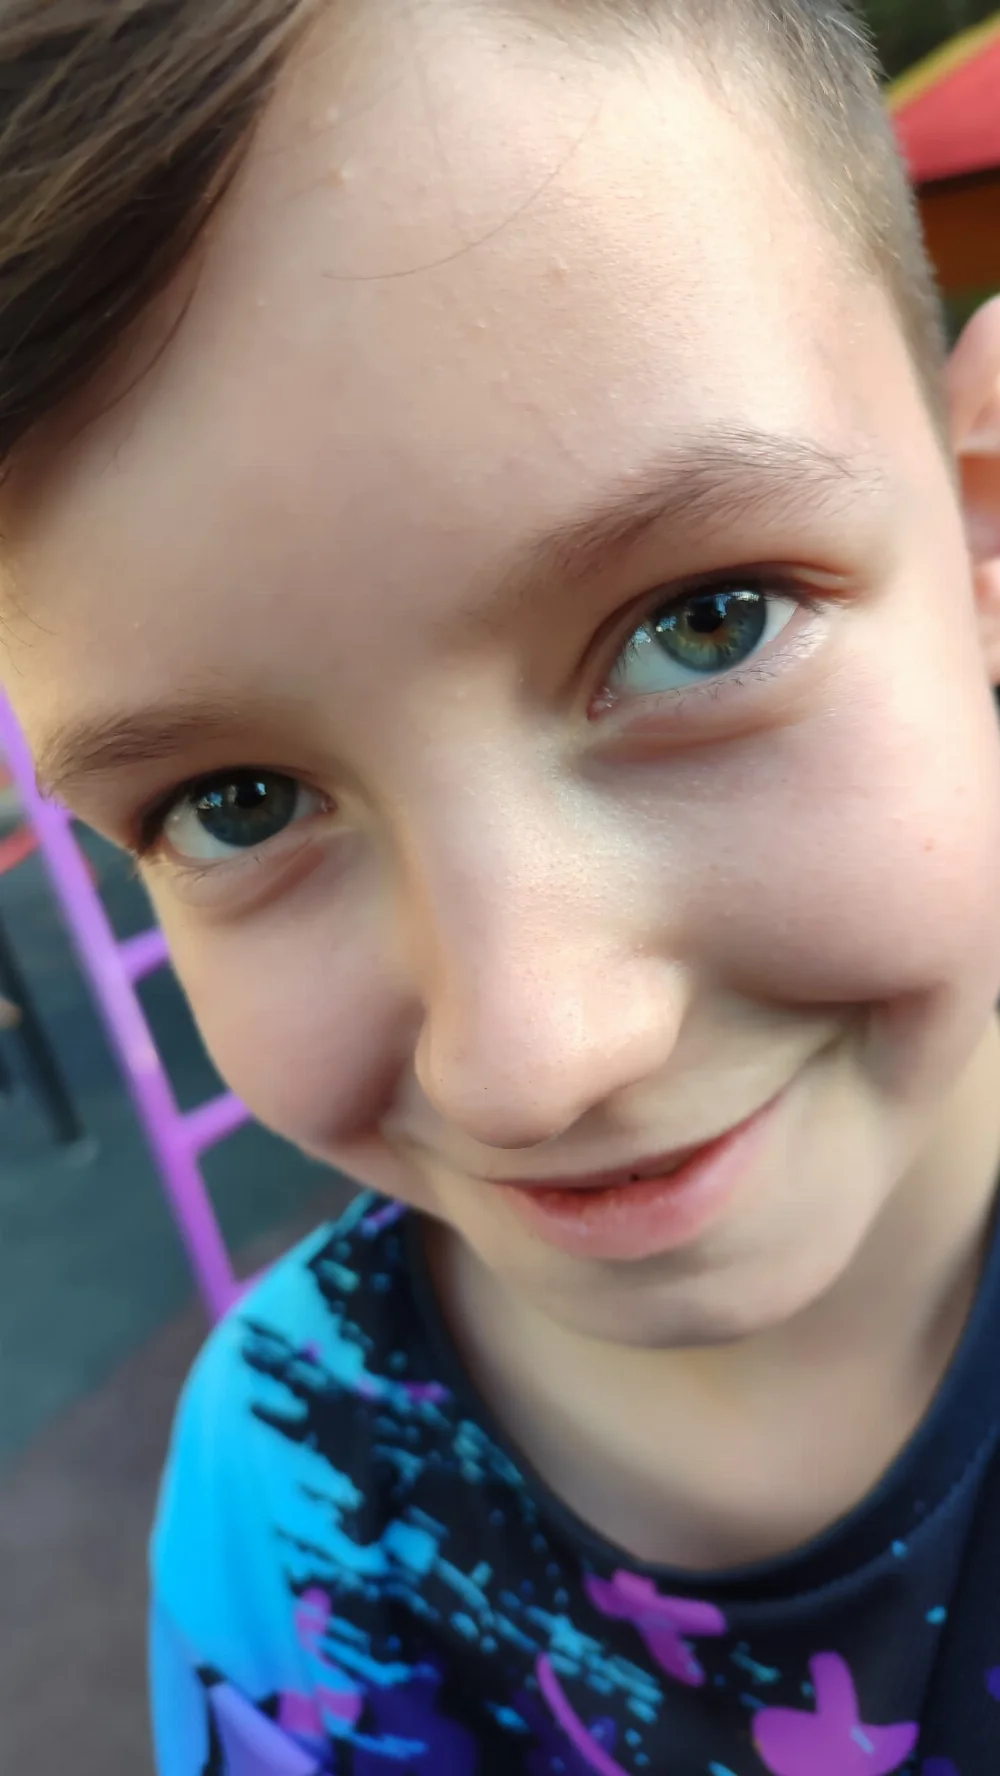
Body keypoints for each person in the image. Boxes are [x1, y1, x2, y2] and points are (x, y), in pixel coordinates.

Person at [3, 0, 1000, 1768]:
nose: (533, 1058)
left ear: (983, 530)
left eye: (704, 625)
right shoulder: (288, 1510)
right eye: (235, 804)